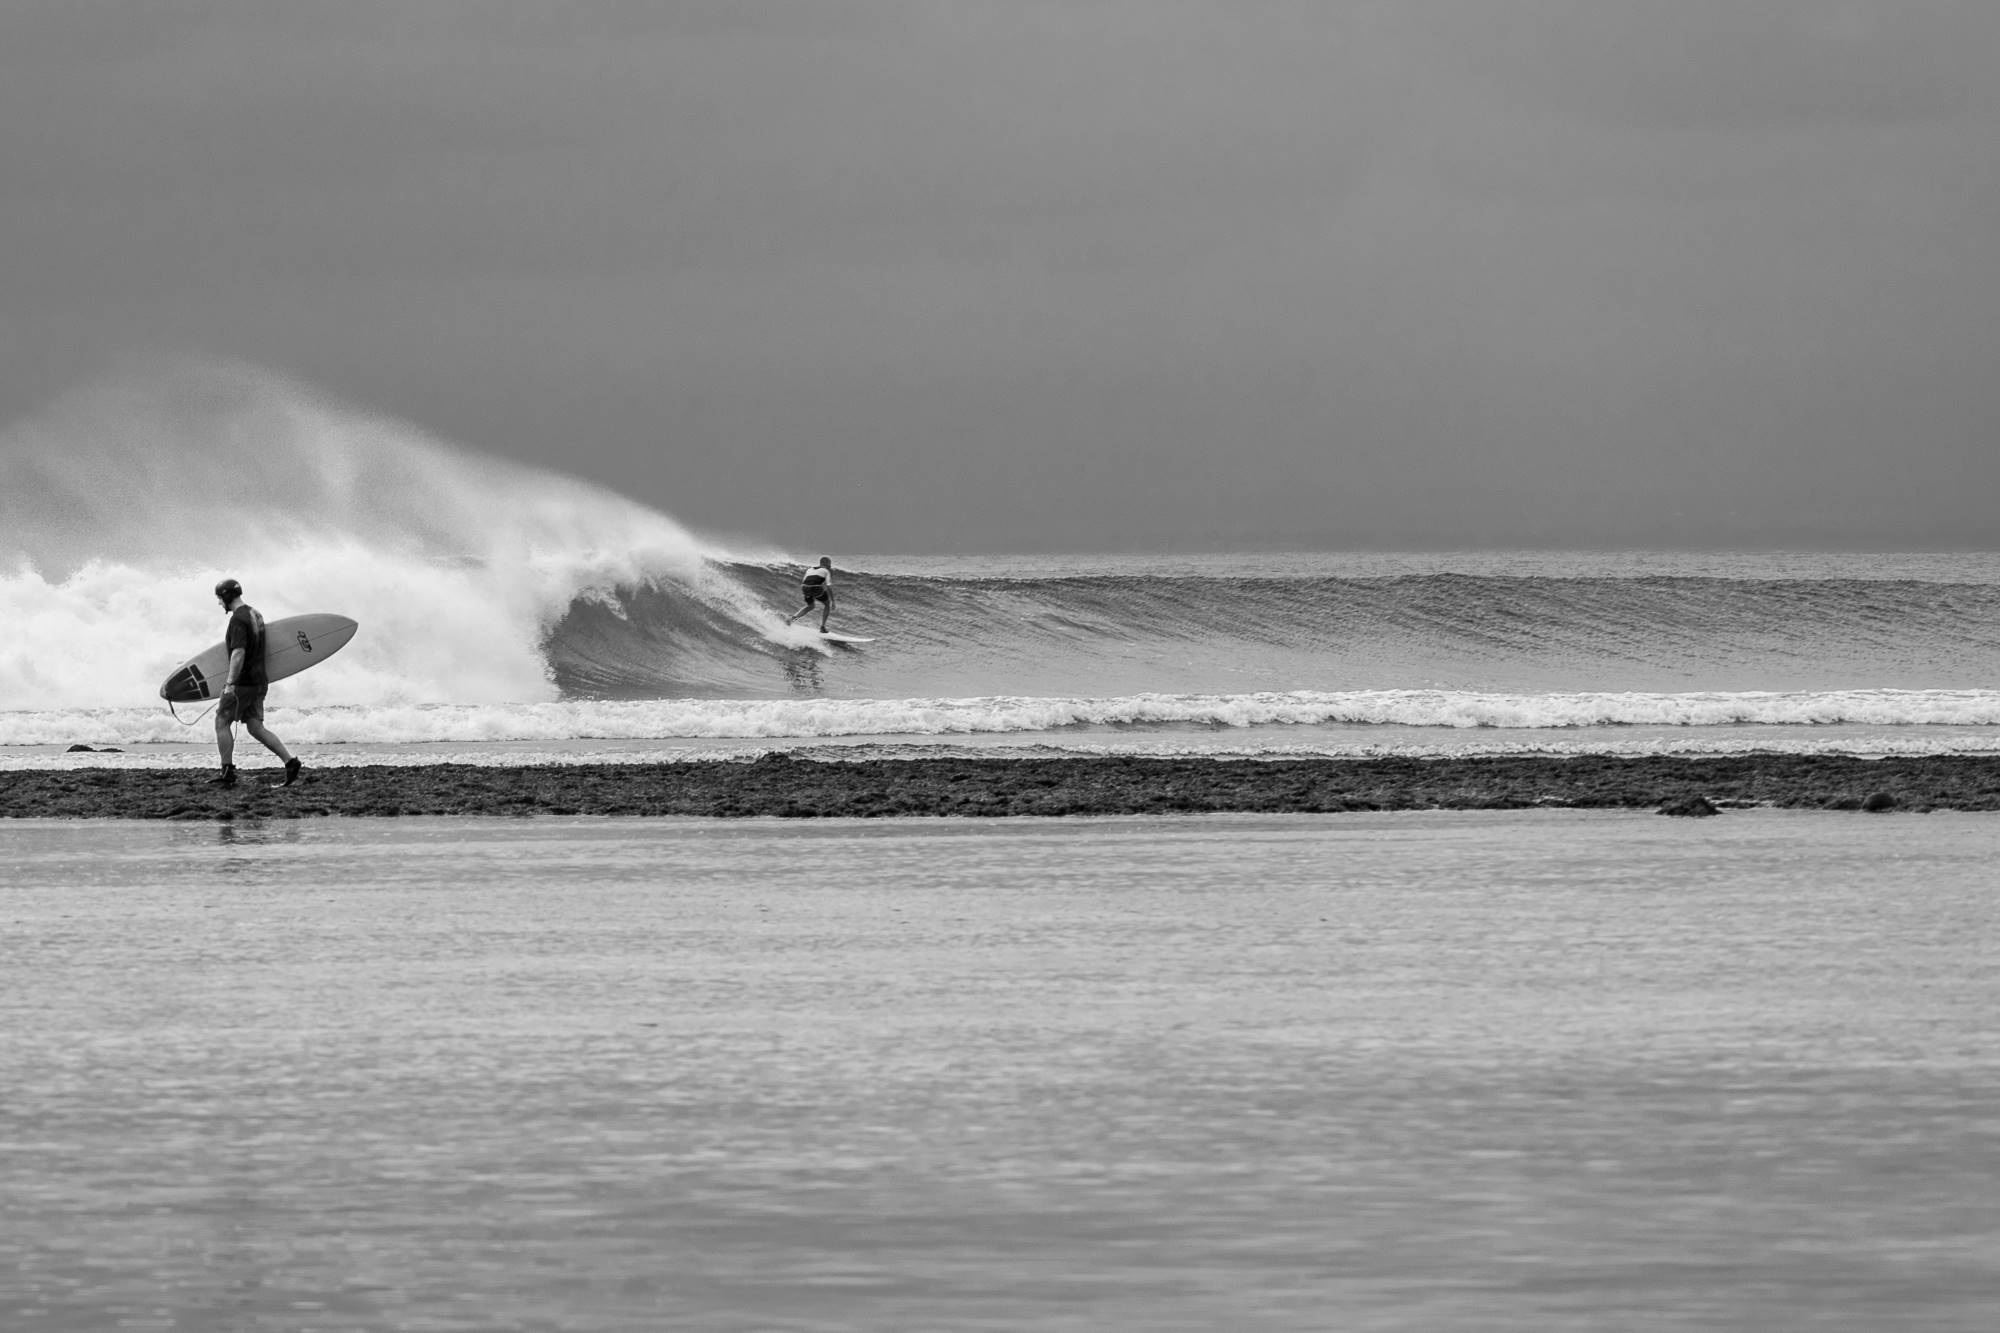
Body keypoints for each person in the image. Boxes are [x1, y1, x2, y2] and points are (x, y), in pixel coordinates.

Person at [209, 578, 303, 788]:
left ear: (225, 597)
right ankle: (291, 762)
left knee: (222, 721)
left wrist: (231, 683)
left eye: (219, 599)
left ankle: (227, 771)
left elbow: (238, 652)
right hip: (260, 681)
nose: (219, 603)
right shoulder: (255, 614)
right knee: (254, 726)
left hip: (242, 682)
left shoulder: (237, 620)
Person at [784, 556, 837, 632]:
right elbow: (828, 586)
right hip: (815, 588)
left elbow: (805, 582)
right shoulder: (826, 571)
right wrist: (833, 601)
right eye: (829, 565)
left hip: (804, 588)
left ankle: (792, 619)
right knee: (827, 604)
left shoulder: (810, 569)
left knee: (810, 606)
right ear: (827, 564)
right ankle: (822, 627)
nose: (830, 566)